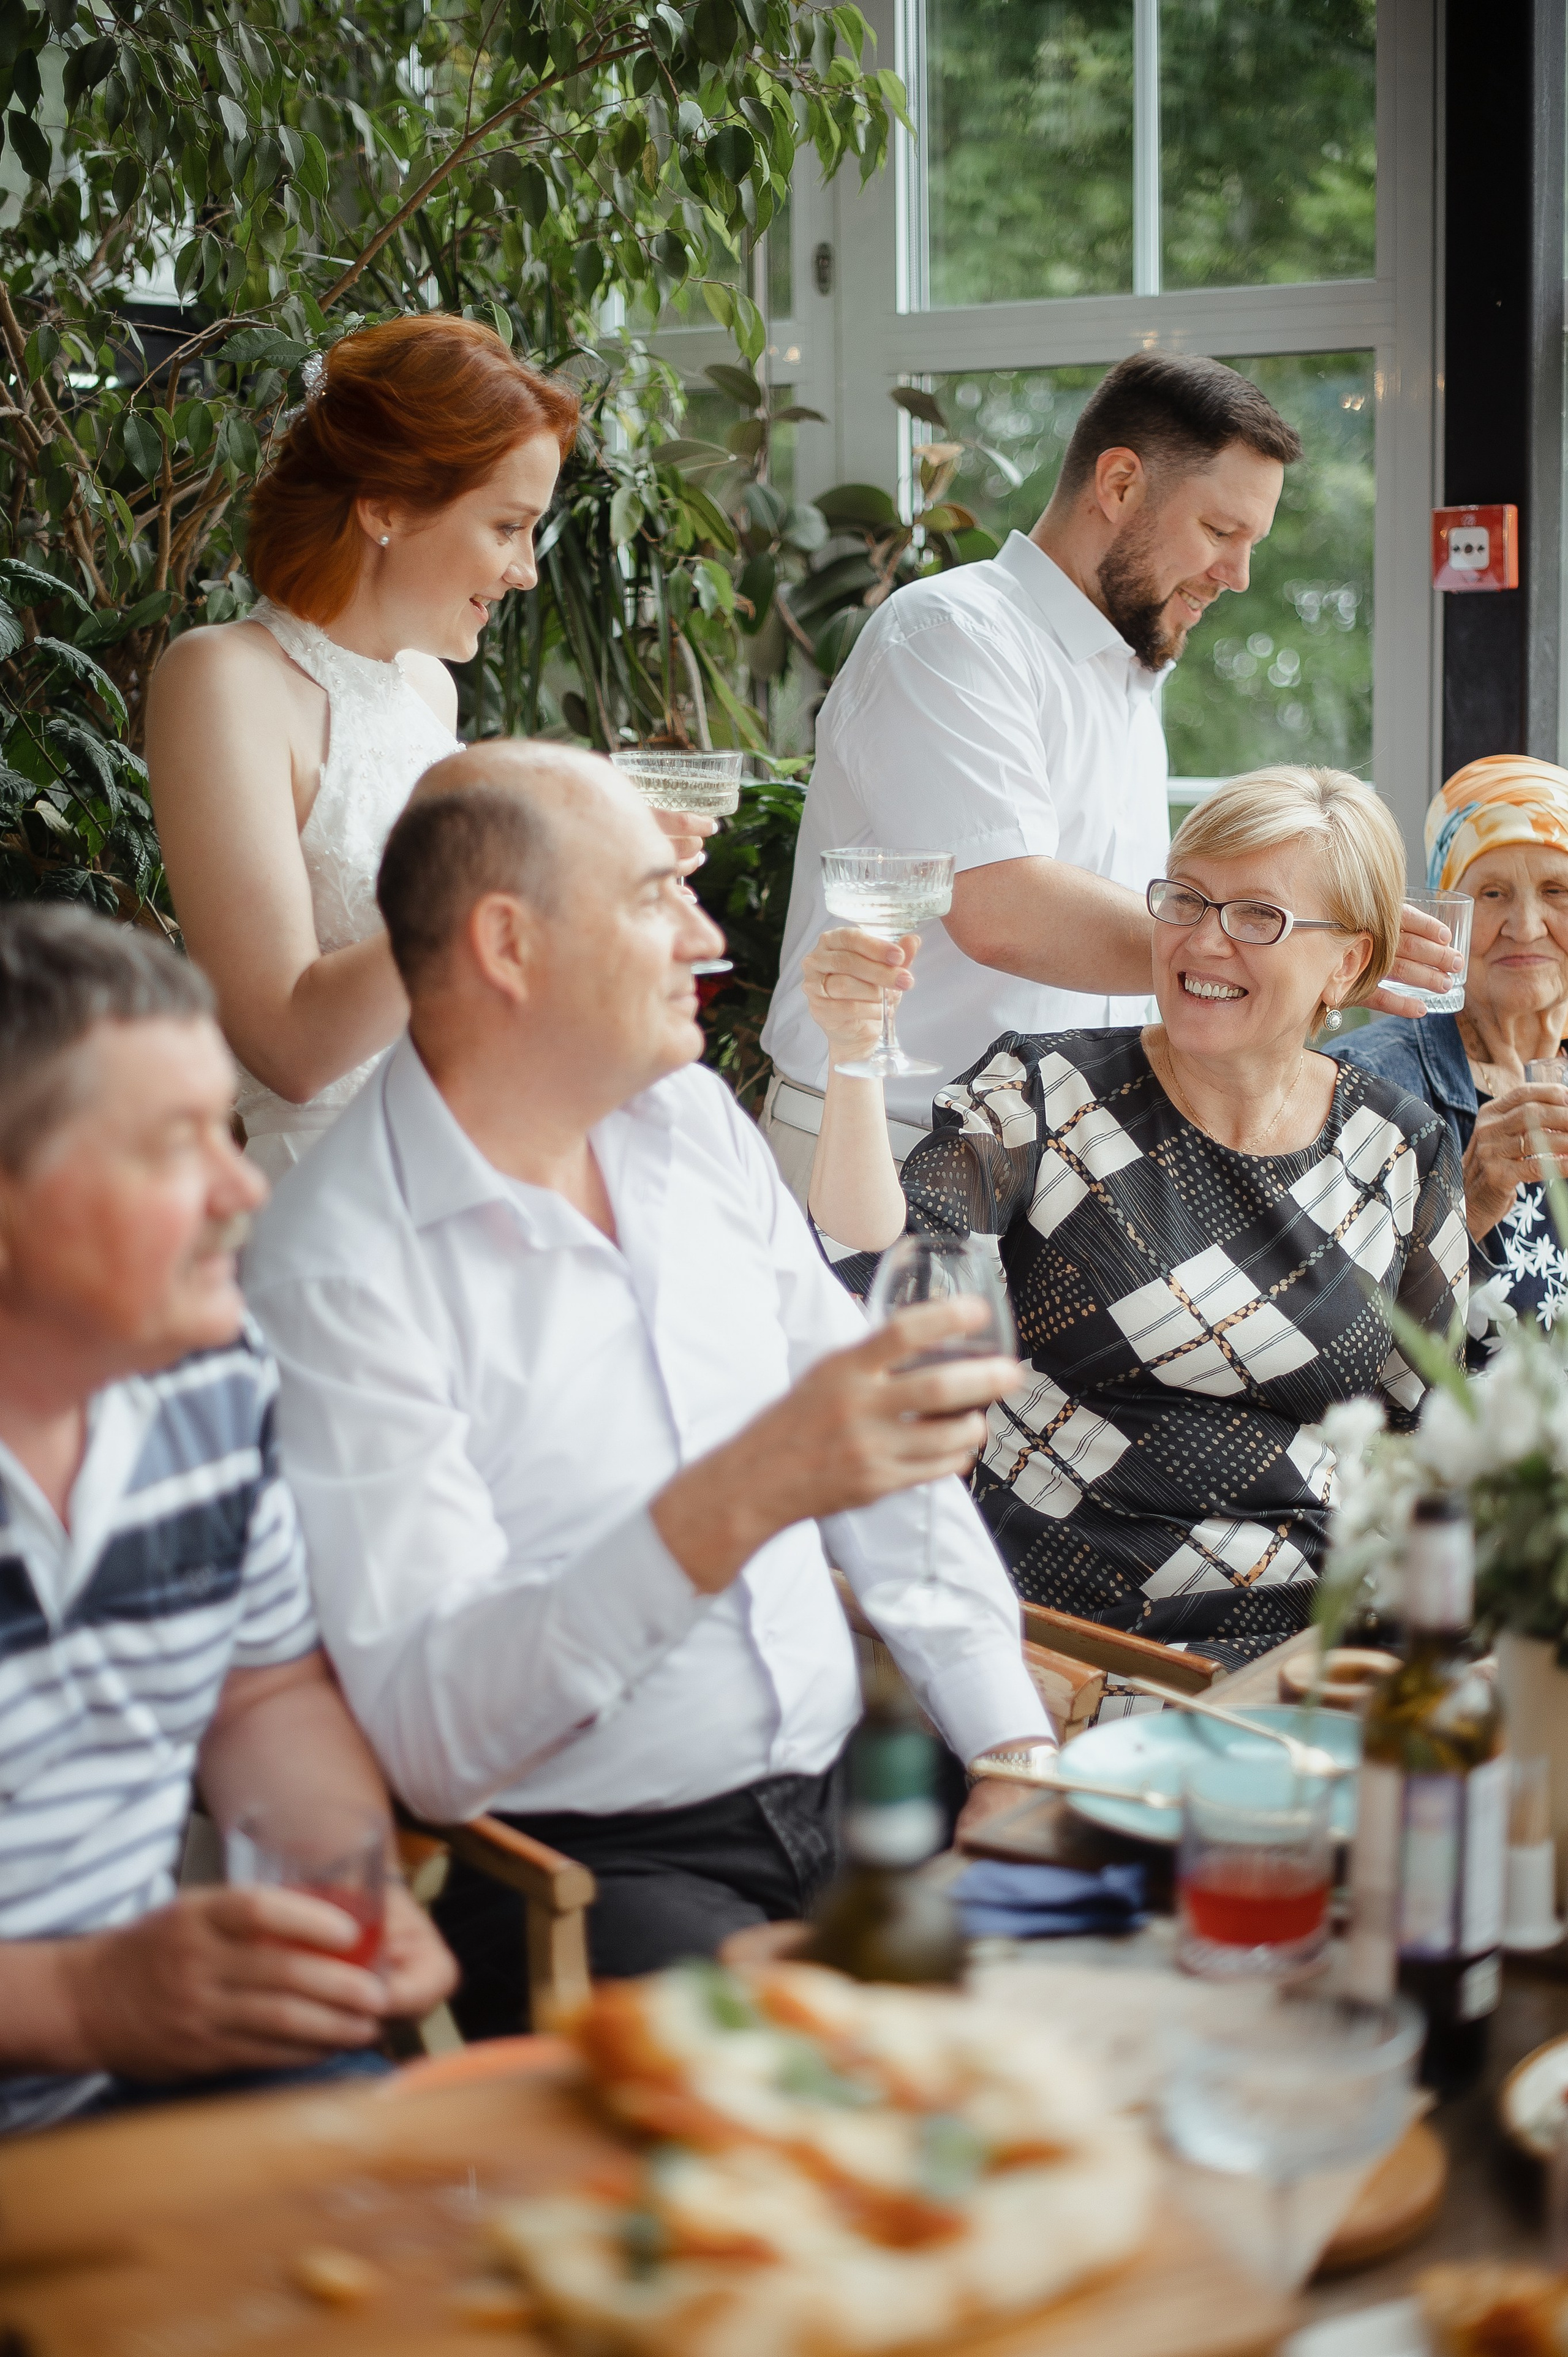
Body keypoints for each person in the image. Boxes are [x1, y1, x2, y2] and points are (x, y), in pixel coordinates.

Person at [243, 742, 1052, 2039]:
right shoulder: (336, 1268)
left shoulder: (687, 1122)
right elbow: (438, 1737)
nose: (705, 931)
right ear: (509, 945)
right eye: (650, 896)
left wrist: (1008, 1743)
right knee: (810, 2148)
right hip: (596, 1873)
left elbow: (874, 1437)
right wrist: (739, 1493)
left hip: (859, 1782)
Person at [802, 768, 1468, 1666]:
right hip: (1062, 1647)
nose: (1204, 941)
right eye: (1186, 900)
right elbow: (874, 1271)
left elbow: (1431, 1438)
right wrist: (853, 1058)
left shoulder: (1401, 1143)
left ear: (1346, 961)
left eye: (1257, 917)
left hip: (1308, 1655)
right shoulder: (1041, 1094)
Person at [758, 353, 1460, 1204]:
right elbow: (1004, 910)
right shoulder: (950, 635)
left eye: (1251, 544)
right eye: (1220, 533)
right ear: (1120, 485)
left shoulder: (1128, 667)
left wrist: (1307, 939)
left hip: (1044, 1159)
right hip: (886, 1148)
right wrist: (1281, 955)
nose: (1239, 576)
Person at [0, 905, 454, 2136]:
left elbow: (262, 1693)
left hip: (156, 2074)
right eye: (169, 1146)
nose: (242, 1186)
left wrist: (345, 1894)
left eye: (228, 1130)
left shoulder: (212, 1379)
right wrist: (82, 2000)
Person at [145, 314, 577, 1176]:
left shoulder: (427, 688)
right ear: (385, 509)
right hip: (327, 1194)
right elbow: (291, 1050)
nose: (526, 569)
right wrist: (519, 868)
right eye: (506, 527)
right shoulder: (222, 679)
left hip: (472, 1160)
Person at [1335, 756, 1568, 1329]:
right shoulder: (1370, 1081)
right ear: (1450, 918)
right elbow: (1335, 1331)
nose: (1528, 925)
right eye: (1492, 894)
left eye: (1556, 890)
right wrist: (1465, 1206)